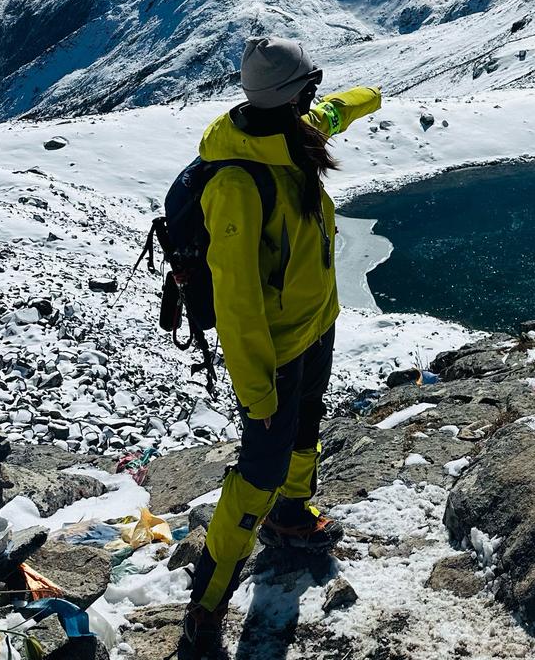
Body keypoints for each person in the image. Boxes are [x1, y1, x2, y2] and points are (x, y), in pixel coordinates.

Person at [182, 36, 381, 654]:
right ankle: (207, 604)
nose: (317, 99)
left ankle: (292, 515)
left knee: (307, 425)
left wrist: (372, 96)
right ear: (291, 95)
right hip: (272, 349)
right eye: (309, 88)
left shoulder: (290, 131)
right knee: (260, 465)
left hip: (314, 323)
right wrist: (256, 391)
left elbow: (334, 113)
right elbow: (238, 303)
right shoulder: (237, 183)